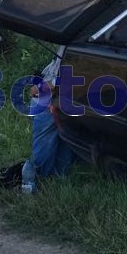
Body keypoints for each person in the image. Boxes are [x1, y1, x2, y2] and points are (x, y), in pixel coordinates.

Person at [20, 47, 76, 193]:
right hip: (69, 99)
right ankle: (58, 181)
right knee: (64, 140)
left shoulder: (73, 41)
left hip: (50, 97)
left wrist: (40, 89)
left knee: (44, 140)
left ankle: (39, 180)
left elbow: (64, 78)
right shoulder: (91, 36)